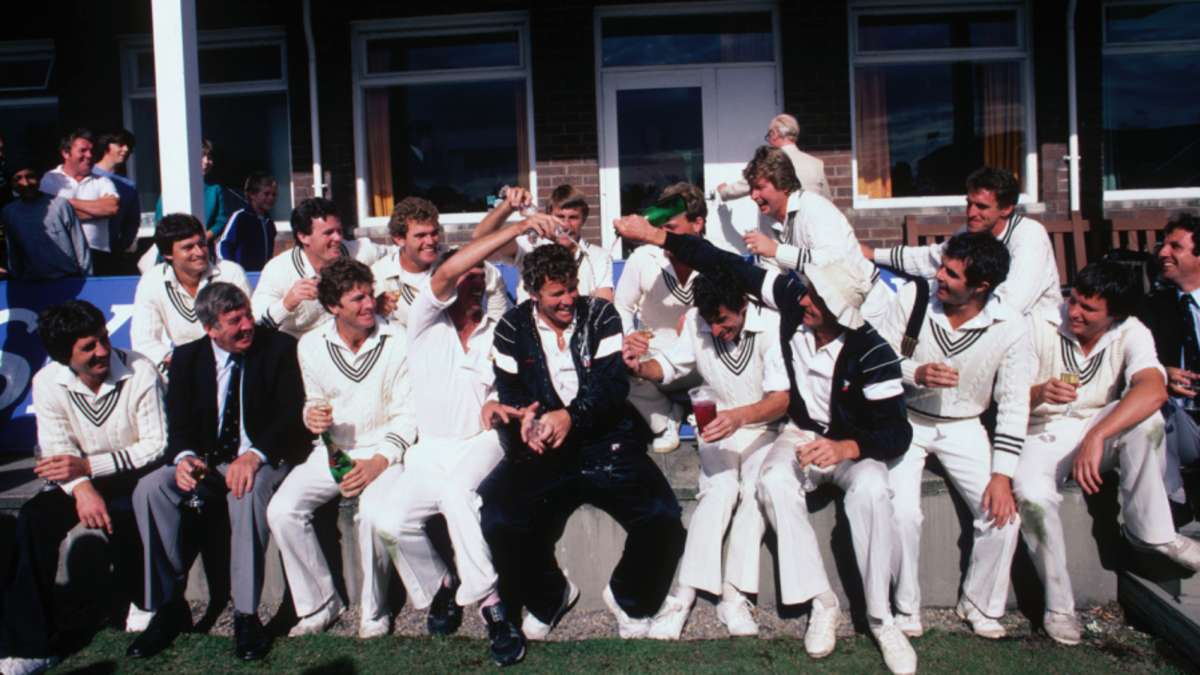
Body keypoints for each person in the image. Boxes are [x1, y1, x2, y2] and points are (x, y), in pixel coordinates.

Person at [614, 216, 916, 674]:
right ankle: (821, 602)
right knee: (768, 482)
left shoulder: (871, 351)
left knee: (871, 490)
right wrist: (657, 236)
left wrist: (847, 448)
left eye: (814, 295)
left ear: (837, 308)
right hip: (798, 434)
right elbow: (721, 262)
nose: (804, 297)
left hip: (851, 446)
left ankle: (881, 618)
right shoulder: (794, 306)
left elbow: (897, 433)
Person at [480, 241, 686, 645]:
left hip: (605, 441)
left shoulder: (601, 313)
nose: (569, 299)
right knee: (498, 518)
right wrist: (525, 423)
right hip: (543, 447)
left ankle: (629, 597)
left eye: (572, 288)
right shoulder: (510, 327)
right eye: (558, 293)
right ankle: (550, 596)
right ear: (534, 292)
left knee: (662, 515)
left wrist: (570, 417)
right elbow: (510, 392)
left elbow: (612, 386)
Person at [365, 222, 549, 667]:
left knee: (457, 495)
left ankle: (492, 610)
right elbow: (446, 273)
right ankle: (444, 585)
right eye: (461, 278)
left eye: (477, 280)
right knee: (388, 520)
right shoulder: (424, 322)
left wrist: (501, 407)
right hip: (430, 448)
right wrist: (520, 224)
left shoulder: (498, 329)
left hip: (481, 443)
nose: (468, 285)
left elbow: (503, 388)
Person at [1015, 262, 1200, 646]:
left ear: (1114, 314)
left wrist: (1097, 435)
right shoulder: (1040, 322)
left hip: (1093, 425)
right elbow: (1002, 395)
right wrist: (1039, 393)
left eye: (1088, 308)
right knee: (1032, 499)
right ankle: (1059, 605)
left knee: (1146, 421)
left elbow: (1153, 390)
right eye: (1074, 300)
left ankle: (1151, 533)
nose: (1075, 312)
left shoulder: (1131, 331)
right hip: (1038, 430)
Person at [128, 283, 309, 662]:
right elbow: (178, 427)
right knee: (150, 489)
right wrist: (185, 458)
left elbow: (290, 415)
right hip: (208, 462)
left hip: (264, 458)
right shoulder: (188, 359)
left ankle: (246, 614)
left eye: (246, 314)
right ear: (210, 328)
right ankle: (167, 606)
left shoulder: (279, 349)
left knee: (245, 491)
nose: (247, 326)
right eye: (234, 321)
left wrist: (255, 454)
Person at [874, 232, 1032, 640]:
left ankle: (980, 605)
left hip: (965, 426)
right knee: (902, 512)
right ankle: (905, 607)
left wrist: (1003, 475)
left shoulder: (1011, 325)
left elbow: (1014, 403)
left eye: (951, 273)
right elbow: (877, 357)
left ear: (981, 286)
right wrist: (916, 373)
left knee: (1002, 516)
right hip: (905, 417)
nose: (939, 276)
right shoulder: (913, 297)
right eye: (942, 265)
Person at [0, 301, 165, 675]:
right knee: (33, 519)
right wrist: (82, 487)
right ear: (64, 355)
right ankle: (31, 644)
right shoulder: (46, 382)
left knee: (131, 504)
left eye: (103, 340)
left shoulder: (139, 369)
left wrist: (91, 467)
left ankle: (144, 599)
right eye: (88, 347)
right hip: (77, 478)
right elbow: (58, 451)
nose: (103, 352)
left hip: (133, 471)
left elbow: (155, 444)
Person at [627, 266, 789, 640]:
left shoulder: (771, 328)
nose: (716, 329)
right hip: (718, 425)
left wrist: (740, 417)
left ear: (743, 305)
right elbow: (668, 366)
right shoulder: (700, 322)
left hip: (762, 426)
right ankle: (681, 599)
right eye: (710, 321)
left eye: (723, 320)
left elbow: (782, 399)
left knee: (753, 494)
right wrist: (640, 368)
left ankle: (734, 596)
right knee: (719, 490)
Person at [267, 258, 418, 641]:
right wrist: (311, 419)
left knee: (371, 515)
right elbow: (314, 402)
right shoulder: (311, 345)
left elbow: (408, 414)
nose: (370, 304)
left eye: (370, 294)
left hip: (385, 452)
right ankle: (320, 603)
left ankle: (374, 610)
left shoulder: (398, 339)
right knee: (283, 510)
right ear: (334, 306)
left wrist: (378, 461)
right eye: (358, 299)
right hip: (336, 453)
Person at [863, 166, 1062, 322]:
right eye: (969, 203)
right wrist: (874, 254)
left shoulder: (1029, 235)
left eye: (981, 207)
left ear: (1007, 208)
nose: (970, 213)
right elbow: (931, 258)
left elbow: (1013, 303)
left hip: (1035, 331)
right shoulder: (970, 232)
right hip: (983, 322)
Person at [733, 146, 890, 322]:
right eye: (751, 188)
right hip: (826, 309)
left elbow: (833, 263)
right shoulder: (767, 215)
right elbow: (774, 271)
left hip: (867, 304)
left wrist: (777, 251)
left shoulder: (814, 208)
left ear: (783, 185)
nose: (753, 196)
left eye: (760, 187)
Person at [613, 182, 707, 452]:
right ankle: (664, 418)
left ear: (697, 223)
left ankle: (706, 421)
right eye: (660, 226)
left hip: (702, 353)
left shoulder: (717, 258)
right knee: (615, 364)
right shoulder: (643, 258)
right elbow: (622, 306)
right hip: (654, 353)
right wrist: (629, 337)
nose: (662, 234)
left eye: (671, 227)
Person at [132, 213, 251, 372]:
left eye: (202, 244)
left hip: (231, 363)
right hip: (181, 367)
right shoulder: (151, 280)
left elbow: (246, 327)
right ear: (168, 254)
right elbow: (144, 340)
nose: (200, 252)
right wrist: (175, 360)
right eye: (188, 247)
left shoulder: (230, 272)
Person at [252, 197, 385, 338]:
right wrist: (287, 304)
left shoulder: (358, 251)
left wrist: (383, 291)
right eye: (328, 233)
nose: (338, 238)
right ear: (303, 236)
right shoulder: (278, 270)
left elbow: (400, 254)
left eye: (339, 231)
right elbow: (257, 324)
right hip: (298, 351)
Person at [1140, 214, 1200, 523]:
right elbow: (1130, 365)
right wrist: (1162, 374)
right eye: (1163, 245)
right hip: (1180, 420)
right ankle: (1173, 511)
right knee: (1152, 410)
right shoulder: (1150, 308)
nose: (1163, 253)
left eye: (1175, 246)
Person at [372, 195, 509, 326]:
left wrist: (494, 328)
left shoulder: (454, 258)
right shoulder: (379, 275)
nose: (430, 241)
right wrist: (376, 311)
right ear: (399, 239)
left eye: (434, 233)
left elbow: (493, 277)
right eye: (421, 235)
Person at [471, 184, 614, 302]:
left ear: (583, 220)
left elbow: (604, 306)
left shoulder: (598, 257)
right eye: (560, 217)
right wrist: (508, 206)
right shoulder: (529, 246)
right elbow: (480, 240)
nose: (565, 225)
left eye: (573, 217)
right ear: (548, 216)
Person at [39, 129, 120, 275]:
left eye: (91, 151)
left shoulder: (102, 181)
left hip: (97, 252)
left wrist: (64, 203)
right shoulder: (50, 179)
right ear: (65, 153)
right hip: (62, 253)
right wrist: (97, 209)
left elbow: (111, 208)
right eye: (83, 151)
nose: (89, 155)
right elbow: (49, 214)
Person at [1, 164, 91, 279]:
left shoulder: (60, 205)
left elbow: (80, 247)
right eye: (18, 179)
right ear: (12, 184)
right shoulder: (10, 212)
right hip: (32, 283)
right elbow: (13, 253)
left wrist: (88, 280)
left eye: (30, 176)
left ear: (38, 178)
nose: (26, 183)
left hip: (68, 279)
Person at [716, 113, 832, 202]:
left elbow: (747, 184)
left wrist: (724, 192)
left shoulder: (771, 161)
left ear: (775, 134)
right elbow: (828, 201)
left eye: (769, 136)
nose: (769, 142)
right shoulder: (816, 164)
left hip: (778, 228)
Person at [153, 139, 227, 244]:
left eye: (209, 157)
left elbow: (221, 221)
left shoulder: (215, 190)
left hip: (203, 248)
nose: (206, 161)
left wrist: (203, 239)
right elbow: (160, 221)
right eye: (201, 156)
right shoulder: (172, 188)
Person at [92, 129, 141, 263]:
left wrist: (123, 243)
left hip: (113, 252)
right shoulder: (88, 176)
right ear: (107, 145)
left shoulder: (128, 185)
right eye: (121, 144)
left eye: (129, 146)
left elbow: (132, 220)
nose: (126, 149)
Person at [217, 172, 278, 272]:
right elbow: (224, 245)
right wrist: (232, 270)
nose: (271, 198)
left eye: (274, 194)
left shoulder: (269, 222)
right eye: (266, 194)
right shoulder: (241, 217)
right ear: (252, 194)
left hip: (261, 275)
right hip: (242, 275)